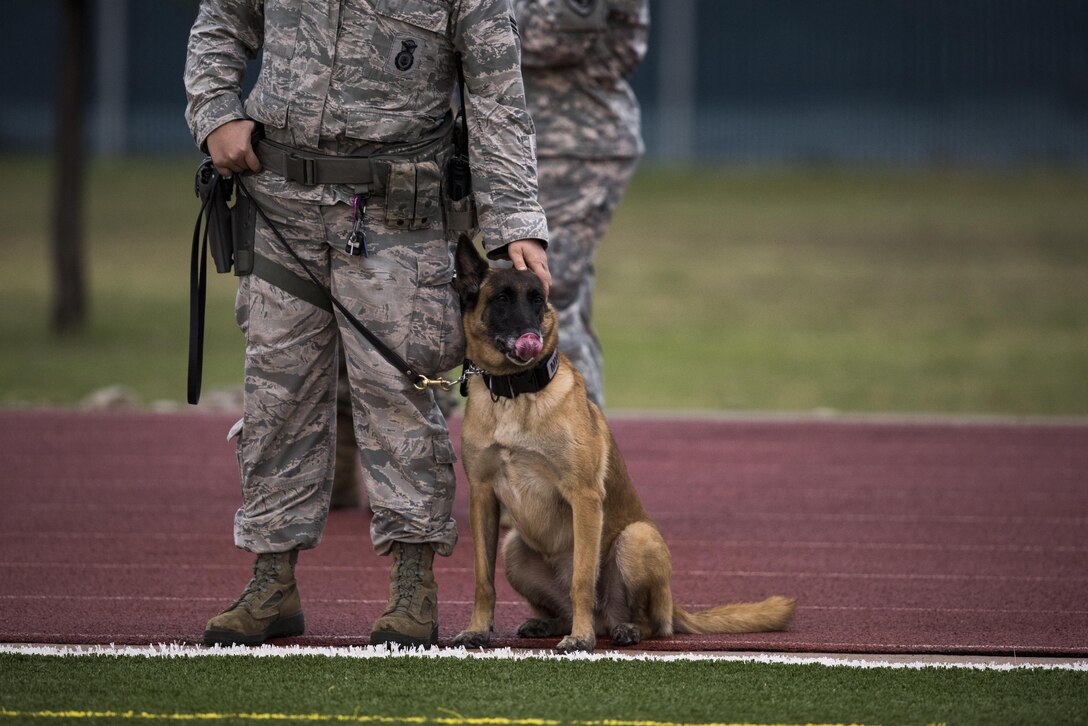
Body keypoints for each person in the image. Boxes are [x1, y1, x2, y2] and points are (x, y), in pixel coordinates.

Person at [184, 0, 550, 648]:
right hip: (281, 205)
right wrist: (215, 112)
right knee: (277, 393)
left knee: (398, 398)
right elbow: (221, 20)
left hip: (396, 212)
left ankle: (413, 588)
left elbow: (497, 96)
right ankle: (271, 582)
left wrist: (516, 222)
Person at [514, 0, 649, 408]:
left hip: (572, 146)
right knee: (547, 296)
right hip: (531, 142)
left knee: (543, 298)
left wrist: (458, 18)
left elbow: (552, 36)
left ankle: (577, 454)